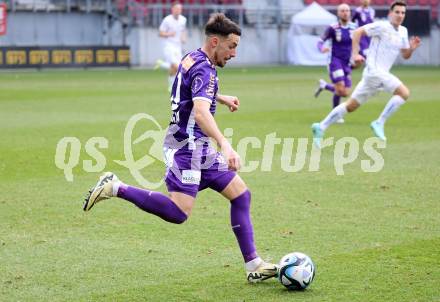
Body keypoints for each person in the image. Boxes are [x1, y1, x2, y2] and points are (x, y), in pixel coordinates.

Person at [83, 13, 278, 283]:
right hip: (185, 147)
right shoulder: (205, 69)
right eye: (231, 46)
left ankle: (253, 264)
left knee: (241, 195)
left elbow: (187, 90)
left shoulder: (193, 57)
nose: (234, 53)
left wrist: (219, 98)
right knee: (178, 213)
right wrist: (226, 146)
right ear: (214, 42)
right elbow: (199, 112)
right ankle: (115, 187)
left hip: (198, 147)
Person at [311, 1, 421, 148]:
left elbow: (405, 55)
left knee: (350, 106)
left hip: (375, 75)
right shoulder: (382, 26)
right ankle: (379, 122)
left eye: (403, 13)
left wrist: (411, 49)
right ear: (390, 13)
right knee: (404, 93)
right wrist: (355, 54)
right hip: (375, 72)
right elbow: (358, 32)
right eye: (397, 12)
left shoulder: (403, 32)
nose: (400, 15)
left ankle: (321, 126)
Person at [314, 4, 357, 124]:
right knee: (341, 88)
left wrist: (359, 55)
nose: (345, 13)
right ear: (338, 13)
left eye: (347, 10)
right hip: (335, 61)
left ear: (350, 13)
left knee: (345, 92)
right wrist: (321, 48)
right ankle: (335, 115)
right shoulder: (333, 28)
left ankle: (324, 86)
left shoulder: (354, 27)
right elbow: (320, 40)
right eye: (342, 11)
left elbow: (359, 42)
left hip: (347, 63)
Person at [155, 1, 187, 92]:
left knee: (175, 68)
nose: (178, 10)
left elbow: (183, 30)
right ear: (172, 9)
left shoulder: (183, 19)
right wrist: (169, 34)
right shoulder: (167, 20)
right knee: (176, 66)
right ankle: (162, 65)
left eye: (180, 9)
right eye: (177, 9)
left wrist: (184, 37)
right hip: (168, 45)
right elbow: (160, 33)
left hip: (178, 46)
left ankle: (171, 86)